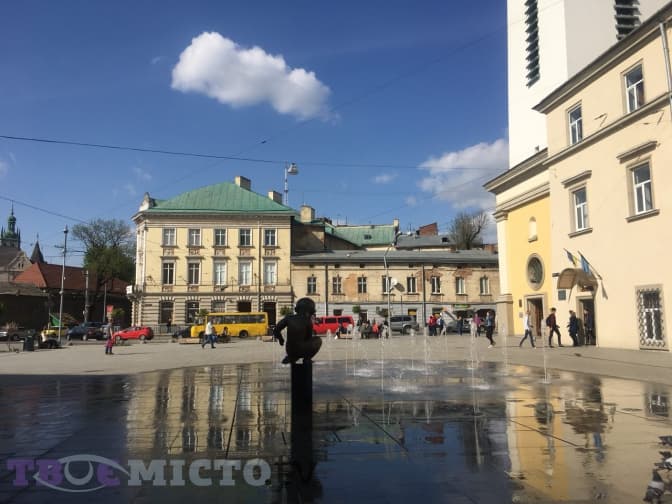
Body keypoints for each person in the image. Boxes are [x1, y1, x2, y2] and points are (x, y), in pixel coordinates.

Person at [274, 297, 322, 365]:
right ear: (308, 311)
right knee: (318, 340)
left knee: (295, 347)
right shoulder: (308, 321)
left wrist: (281, 339)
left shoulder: (289, 318)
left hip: (290, 350)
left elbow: (276, 330)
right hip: (303, 350)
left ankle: (291, 357)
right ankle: (307, 359)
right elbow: (308, 338)